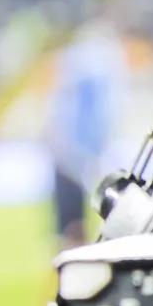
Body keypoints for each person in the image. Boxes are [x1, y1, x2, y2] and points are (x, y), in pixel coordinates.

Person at [45, 21, 130, 248]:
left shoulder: (79, 65)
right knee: (75, 221)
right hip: (82, 152)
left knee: (70, 224)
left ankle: (72, 264)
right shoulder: (100, 65)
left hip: (71, 154)